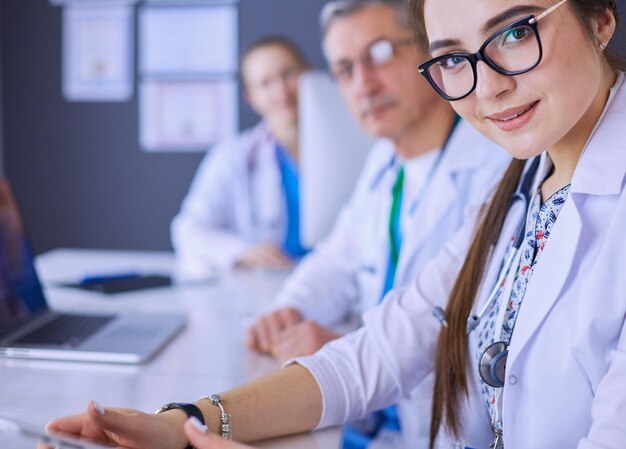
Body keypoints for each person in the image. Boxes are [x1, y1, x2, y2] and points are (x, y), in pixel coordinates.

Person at [48, 1, 626, 449]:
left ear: (600, 18)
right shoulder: (522, 184)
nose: (489, 84)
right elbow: (381, 349)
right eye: (454, 59)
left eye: (516, 32)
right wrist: (187, 421)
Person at [246, 1, 509, 447]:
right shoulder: (385, 161)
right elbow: (335, 259)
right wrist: (287, 311)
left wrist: (342, 343)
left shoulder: (497, 163)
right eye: (345, 69)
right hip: (373, 421)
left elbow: (487, 346)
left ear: (432, 53)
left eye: (382, 53)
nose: (363, 85)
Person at [170, 37, 310, 279]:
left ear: (309, 74)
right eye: (265, 83)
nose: (281, 91)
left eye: (288, 74)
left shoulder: (352, 145)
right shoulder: (232, 156)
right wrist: (242, 251)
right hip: (270, 285)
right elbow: (187, 231)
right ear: (251, 97)